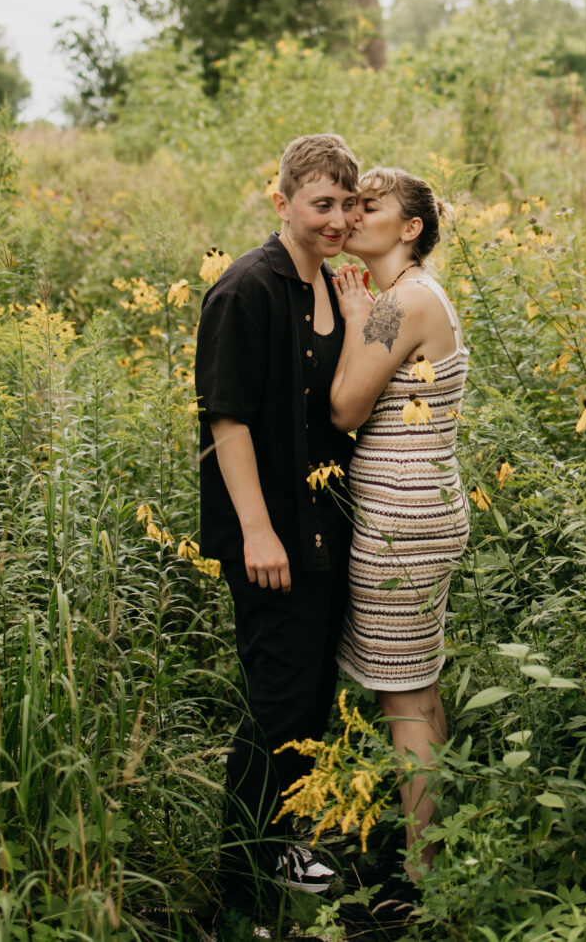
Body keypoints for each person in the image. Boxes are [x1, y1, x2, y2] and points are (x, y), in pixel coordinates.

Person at [195, 134, 360, 923]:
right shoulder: (244, 290)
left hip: (326, 526)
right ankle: (239, 887)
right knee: (274, 704)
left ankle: (286, 840)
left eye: (346, 205)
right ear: (283, 200)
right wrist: (258, 531)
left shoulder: (330, 285)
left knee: (312, 700)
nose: (335, 219)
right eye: (320, 203)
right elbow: (227, 418)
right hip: (271, 535)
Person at [329, 167, 469, 910]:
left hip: (401, 521)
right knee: (421, 685)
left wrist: (355, 319)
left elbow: (348, 406)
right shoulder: (414, 294)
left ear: (410, 227)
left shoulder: (401, 301)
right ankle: (435, 850)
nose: (353, 214)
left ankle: (422, 880)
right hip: (423, 509)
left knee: (404, 697)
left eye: (369, 205)